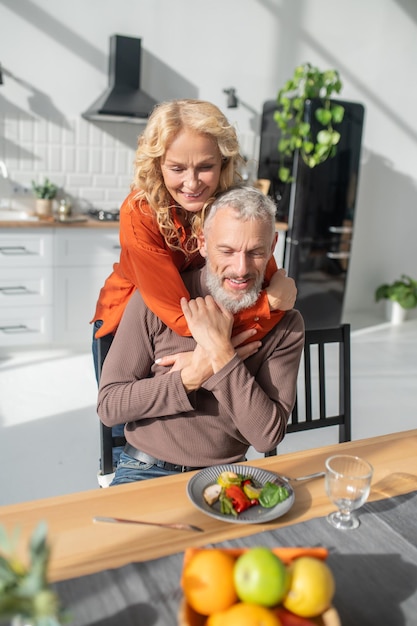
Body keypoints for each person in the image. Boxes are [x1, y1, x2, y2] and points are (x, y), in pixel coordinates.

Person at [97, 186, 304, 485]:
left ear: (272, 245)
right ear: (203, 243)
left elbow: (267, 436)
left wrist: (221, 353)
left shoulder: (286, 324)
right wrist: (191, 376)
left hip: (227, 476)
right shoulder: (155, 302)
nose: (241, 268)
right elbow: (109, 406)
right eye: (227, 251)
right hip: (144, 470)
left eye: (255, 252)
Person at [91, 99, 297, 380]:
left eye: (205, 167)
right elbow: (180, 316)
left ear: (223, 162)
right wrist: (264, 308)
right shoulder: (140, 212)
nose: (192, 183)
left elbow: (257, 280)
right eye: (177, 169)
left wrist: (213, 353)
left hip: (199, 333)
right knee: (127, 418)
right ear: (157, 165)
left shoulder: (232, 205)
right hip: (129, 328)